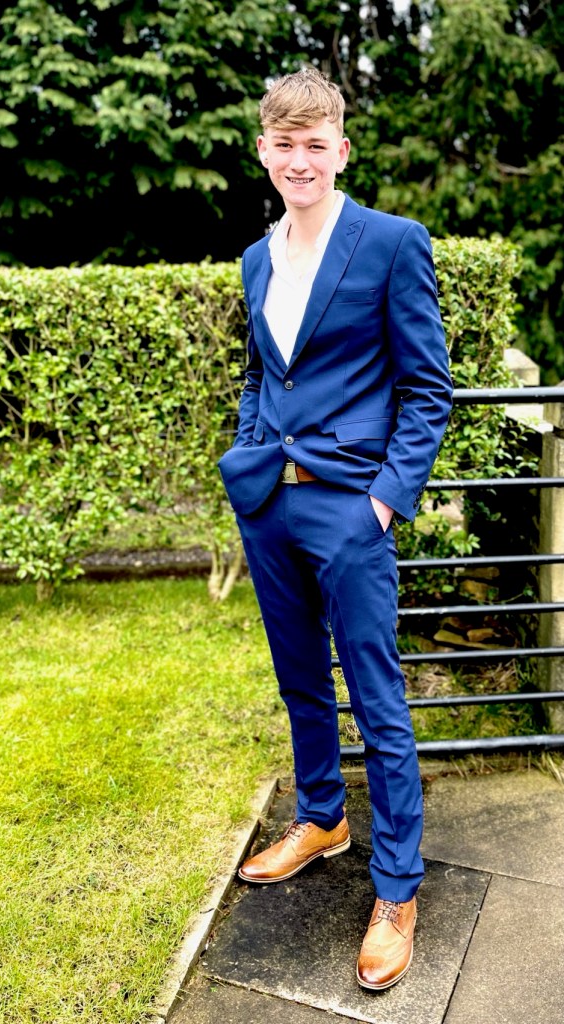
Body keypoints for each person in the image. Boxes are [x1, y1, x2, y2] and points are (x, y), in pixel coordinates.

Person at [218, 66, 453, 991]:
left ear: (341, 150)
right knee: (299, 681)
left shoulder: (391, 243)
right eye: (285, 145)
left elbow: (426, 387)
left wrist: (383, 503)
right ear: (264, 152)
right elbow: (259, 374)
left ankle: (397, 888)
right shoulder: (255, 257)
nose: (301, 160)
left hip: (352, 508)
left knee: (377, 695)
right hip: (270, 506)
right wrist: (249, 460)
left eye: (316, 144)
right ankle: (322, 818)